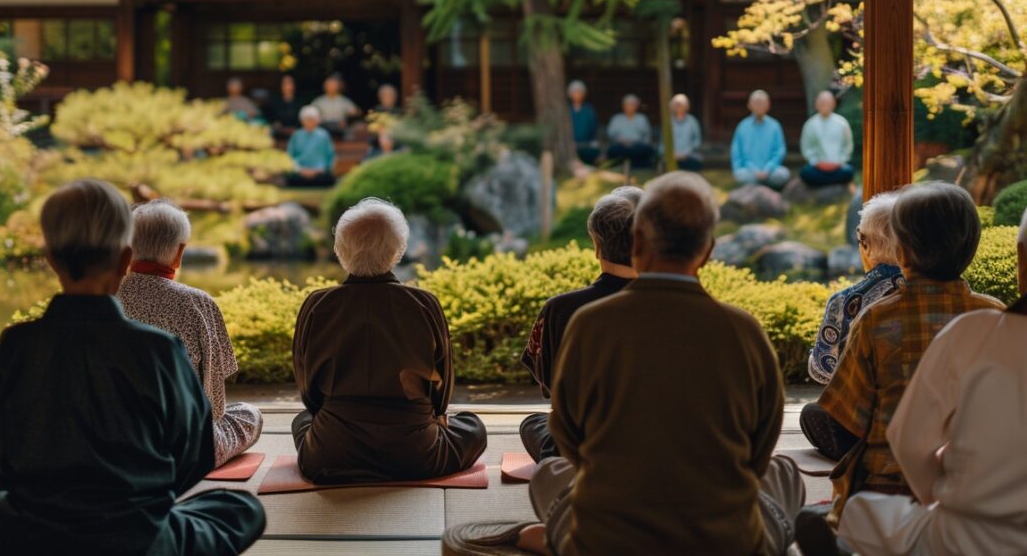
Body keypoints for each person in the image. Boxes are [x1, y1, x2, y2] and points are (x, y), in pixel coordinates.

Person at [443, 172, 802, 556]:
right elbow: (759, 449)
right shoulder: (744, 331)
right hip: (724, 538)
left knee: (551, 472)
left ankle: (553, 538)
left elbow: (568, 437)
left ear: (639, 243)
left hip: (607, 536)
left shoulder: (590, 323)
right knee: (784, 472)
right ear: (709, 251)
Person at [0, 180, 266, 556]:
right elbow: (194, 455)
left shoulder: (15, 344)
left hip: (36, 530)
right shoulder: (158, 349)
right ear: (126, 257)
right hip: (134, 534)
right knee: (243, 508)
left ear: (49, 257)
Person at [807, 183, 1003, 521]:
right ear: (971, 247)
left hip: (887, 488)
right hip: (976, 484)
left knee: (818, 416)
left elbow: (848, 417)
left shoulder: (877, 319)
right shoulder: (996, 316)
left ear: (902, 251)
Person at [837, 209, 1027, 556]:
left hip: (965, 532)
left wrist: (935, 499)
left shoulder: (981, 329)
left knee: (858, 515)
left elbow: (907, 441)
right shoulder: (989, 311)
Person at [292, 198, 487, 483]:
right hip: (418, 454)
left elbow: (308, 388)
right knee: (474, 428)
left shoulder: (317, 305)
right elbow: (441, 387)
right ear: (398, 249)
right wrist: (436, 416)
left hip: (330, 455)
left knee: (302, 421)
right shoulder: (423, 303)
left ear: (339, 249)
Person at [118, 200, 263, 467]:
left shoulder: (108, 298)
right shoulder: (198, 303)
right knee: (250, 415)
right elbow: (216, 406)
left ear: (127, 248)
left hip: (119, 445)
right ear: (179, 252)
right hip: (184, 450)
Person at [518, 186, 643, 462]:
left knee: (533, 424)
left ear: (596, 246)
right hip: (660, 448)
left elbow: (549, 384)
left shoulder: (561, 309)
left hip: (583, 449)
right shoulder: (678, 307)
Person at [805, 190, 904, 390]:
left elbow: (823, 371)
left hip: (861, 411)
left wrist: (811, 358)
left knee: (812, 412)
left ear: (865, 244)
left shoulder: (843, 301)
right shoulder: (930, 291)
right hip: (923, 406)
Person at [730, 90, 790, 189]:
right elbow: (737, 154)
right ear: (749, 105)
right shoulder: (742, 126)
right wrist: (754, 170)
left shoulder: (775, 126)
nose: (759, 106)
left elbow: (779, 151)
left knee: (783, 174)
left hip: (770, 172)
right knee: (740, 175)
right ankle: (763, 185)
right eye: (756, 103)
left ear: (768, 105)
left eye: (762, 103)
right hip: (749, 172)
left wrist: (767, 169)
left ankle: (758, 185)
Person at [800, 91, 855, 187]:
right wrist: (817, 163)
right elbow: (806, 147)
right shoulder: (810, 124)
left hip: (838, 166)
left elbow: (848, 146)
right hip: (818, 167)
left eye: (828, 102)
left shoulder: (842, 123)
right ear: (816, 104)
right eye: (822, 102)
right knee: (805, 172)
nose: (825, 105)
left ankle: (822, 183)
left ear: (833, 104)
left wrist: (839, 162)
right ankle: (832, 182)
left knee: (848, 171)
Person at [286, 105, 337, 187]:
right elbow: (290, 156)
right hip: (300, 173)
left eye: (312, 119)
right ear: (302, 120)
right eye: (307, 119)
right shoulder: (296, 135)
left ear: (317, 120)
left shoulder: (324, 135)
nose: (310, 121)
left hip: (320, 173)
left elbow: (331, 156)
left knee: (329, 179)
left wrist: (320, 170)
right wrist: (299, 169)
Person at [605, 94, 656, 169]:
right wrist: (620, 140)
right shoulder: (616, 118)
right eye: (627, 105)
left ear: (636, 106)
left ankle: (639, 169)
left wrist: (635, 143)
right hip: (620, 146)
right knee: (614, 150)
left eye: (632, 105)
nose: (629, 107)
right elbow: (610, 134)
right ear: (623, 106)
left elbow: (647, 136)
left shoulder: (642, 119)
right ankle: (618, 168)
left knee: (644, 150)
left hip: (637, 146)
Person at [567, 80, 600, 165]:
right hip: (570, 144)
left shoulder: (589, 110)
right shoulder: (566, 111)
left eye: (579, 92)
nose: (577, 95)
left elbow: (593, 128)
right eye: (575, 92)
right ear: (570, 94)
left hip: (587, 144)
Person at [669, 93, 703, 171]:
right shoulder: (669, 122)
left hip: (688, 155)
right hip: (671, 155)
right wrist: (671, 153)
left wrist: (686, 153)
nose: (679, 107)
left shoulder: (692, 121)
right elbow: (663, 143)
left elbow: (697, 141)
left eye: (681, 104)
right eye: (677, 105)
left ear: (686, 106)